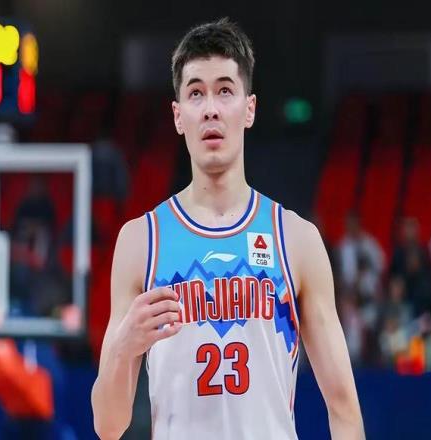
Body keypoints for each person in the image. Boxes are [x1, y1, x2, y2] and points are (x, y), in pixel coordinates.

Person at [92, 18, 364, 440]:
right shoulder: (141, 240)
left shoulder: (295, 239)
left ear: (249, 108)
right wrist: (122, 348)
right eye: (196, 93)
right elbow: (108, 426)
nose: (211, 109)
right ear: (178, 115)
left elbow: (344, 407)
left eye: (224, 90)